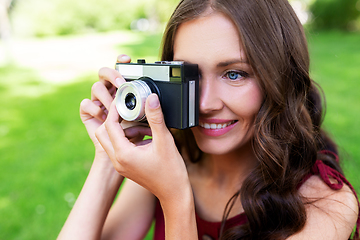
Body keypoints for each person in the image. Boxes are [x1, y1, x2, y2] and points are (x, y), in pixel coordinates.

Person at [57, 0, 360, 239]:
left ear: (280, 77)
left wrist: (175, 198)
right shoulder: (166, 163)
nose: (203, 103)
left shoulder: (325, 206)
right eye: (190, 75)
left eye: (234, 74)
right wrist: (108, 156)